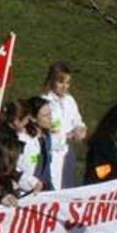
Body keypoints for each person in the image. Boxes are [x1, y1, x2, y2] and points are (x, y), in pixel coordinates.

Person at [40, 62, 86, 190]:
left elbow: (77, 120)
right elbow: (47, 131)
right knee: (52, 188)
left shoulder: (70, 100)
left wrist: (80, 129)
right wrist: (67, 136)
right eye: (61, 82)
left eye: (67, 83)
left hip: (67, 153)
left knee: (67, 189)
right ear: (51, 81)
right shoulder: (44, 102)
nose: (64, 87)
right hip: (51, 154)